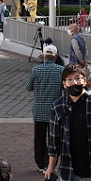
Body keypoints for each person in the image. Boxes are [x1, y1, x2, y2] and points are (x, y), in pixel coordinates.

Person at [25, 44, 64, 172]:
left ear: (43, 56)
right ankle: (51, 162)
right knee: (54, 137)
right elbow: (65, 90)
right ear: (56, 57)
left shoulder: (36, 70)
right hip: (55, 110)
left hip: (39, 109)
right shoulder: (60, 70)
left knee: (39, 138)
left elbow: (28, 86)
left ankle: (40, 163)